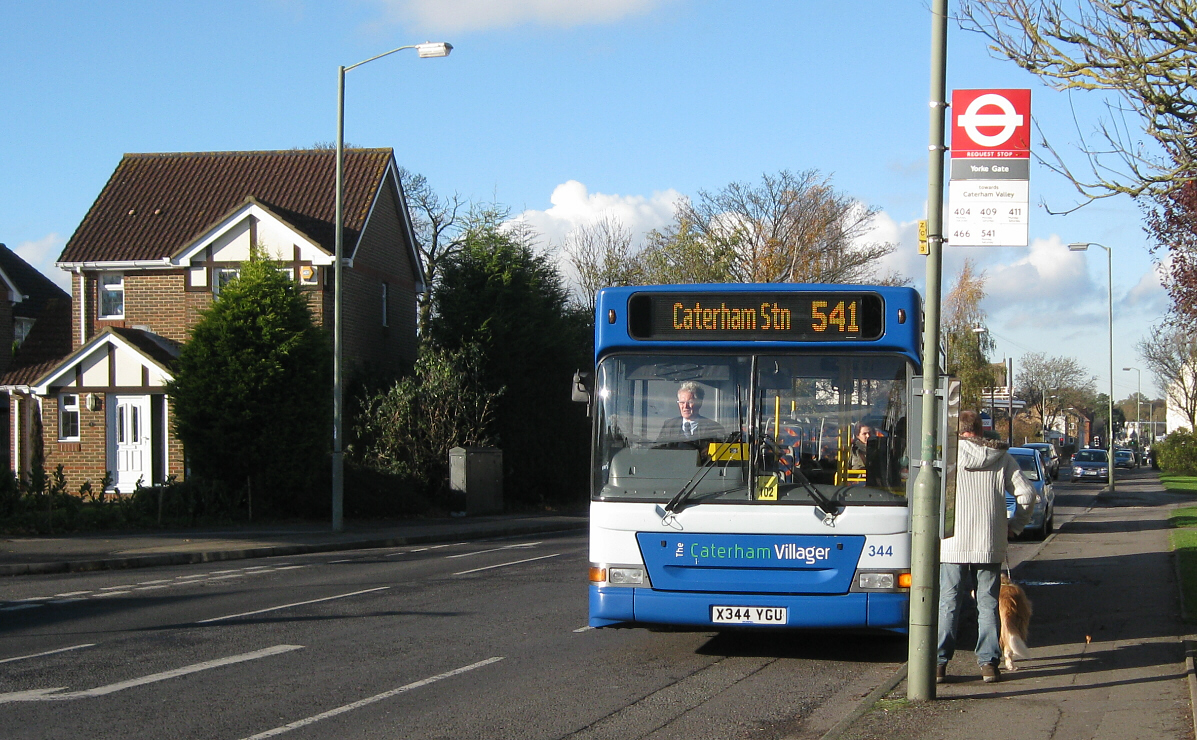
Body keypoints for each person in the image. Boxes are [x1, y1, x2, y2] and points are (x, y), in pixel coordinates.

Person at [938, 409, 1034, 684]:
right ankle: (988, 665)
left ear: (958, 431)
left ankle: (939, 664)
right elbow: (1027, 493)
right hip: (989, 541)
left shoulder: (948, 456)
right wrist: (1014, 525)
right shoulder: (1002, 456)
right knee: (988, 603)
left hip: (953, 541)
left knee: (949, 602)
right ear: (981, 429)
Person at [656, 381, 726, 445]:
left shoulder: (713, 428)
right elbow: (657, 451)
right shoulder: (669, 426)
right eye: (682, 402)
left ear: (700, 403)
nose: (685, 406)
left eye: (690, 402)